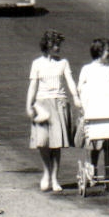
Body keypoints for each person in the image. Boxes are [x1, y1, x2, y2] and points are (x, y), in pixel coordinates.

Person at [25, 30, 80, 192]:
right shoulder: (37, 64)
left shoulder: (63, 62)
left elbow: (70, 82)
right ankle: (46, 173)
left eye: (59, 45)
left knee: (56, 144)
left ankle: (55, 178)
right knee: (42, 142)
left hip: (59, 103)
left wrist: (76, 97)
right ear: (47, 46)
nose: (58, 48)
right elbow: (33, 86)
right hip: (41, 105)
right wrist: (29, 105)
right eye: (55, 45)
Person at [77, 38, 109, 180]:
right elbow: (80, 89)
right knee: (94, 145)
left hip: (108, 112)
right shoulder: (87, 69)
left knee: (108, 146)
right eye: (108, 50)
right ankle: (92, 173)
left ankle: (107, 176)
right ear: (100, 51)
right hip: (93, 112)